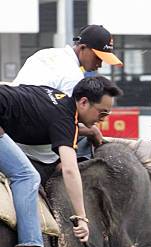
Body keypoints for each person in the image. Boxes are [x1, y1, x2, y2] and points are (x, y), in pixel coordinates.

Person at [0, 76, 122, 247]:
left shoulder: (57, 98)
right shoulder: (65, 120)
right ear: (83, 102)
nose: (102, 119)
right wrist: (82, 218)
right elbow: (69, 169)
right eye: (101, 113)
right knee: (27, 176)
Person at [13, 24, 123, 180]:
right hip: (37, 152)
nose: (100, 64)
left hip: (13, 133)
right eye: (98, 57)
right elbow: (61, 123)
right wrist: (92, 131)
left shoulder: (44, 54)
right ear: (83, 48)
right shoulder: (73, 78)